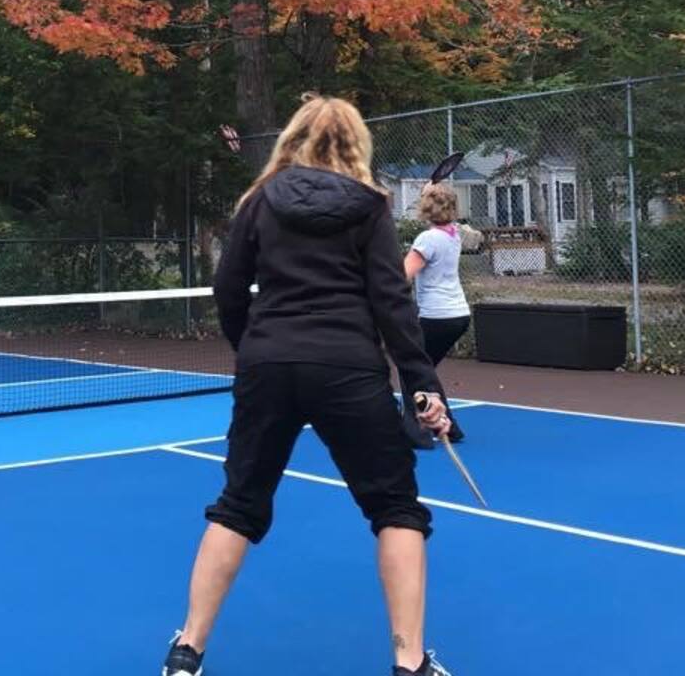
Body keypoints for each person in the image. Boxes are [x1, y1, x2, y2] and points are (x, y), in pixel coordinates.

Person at [162, 95, 454, 676]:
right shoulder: (370, 207)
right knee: (396, 508)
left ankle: (185, 654)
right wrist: (423, 385)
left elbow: (228, 287)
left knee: (237, 506)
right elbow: (393, 304)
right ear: (356, 144)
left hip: (269, 364)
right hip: (348, 366)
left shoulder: (259, 201)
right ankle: (410, 662)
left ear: (292, 138)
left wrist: (253, 349)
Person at [402, 183, 482, 449]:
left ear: (426, 207)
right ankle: (450, 428)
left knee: (412, 372)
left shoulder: (427, 239)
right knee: (424, 371)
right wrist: (430, 193)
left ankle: (417, 434)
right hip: (458, 315)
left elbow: (403, 275)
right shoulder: (453, 234)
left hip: (436, 316)